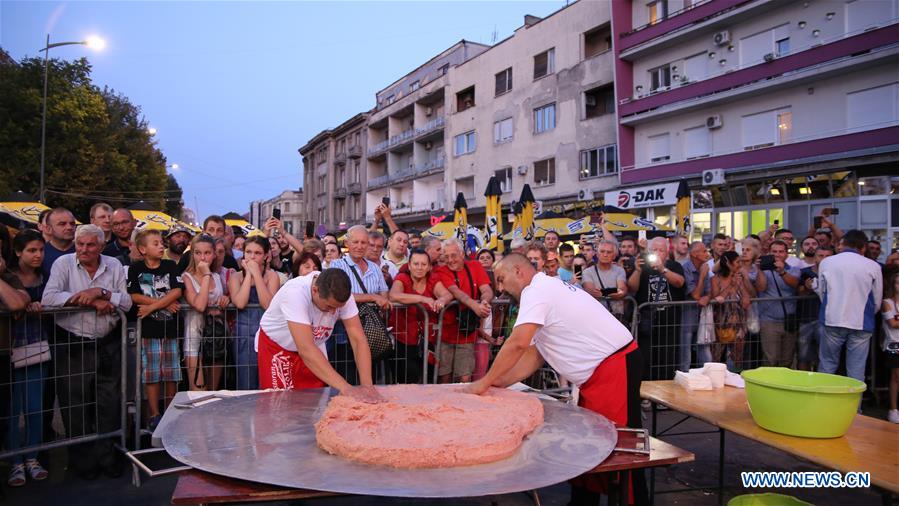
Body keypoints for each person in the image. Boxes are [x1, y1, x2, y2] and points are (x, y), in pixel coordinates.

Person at [464, 253, 644, 506]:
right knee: (590, 442)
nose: (501, 288)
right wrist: (500, 382)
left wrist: (484, 382)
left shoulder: (537, 291)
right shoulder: (545, 288)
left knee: (620, 446)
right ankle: (582, 503)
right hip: (599, 373)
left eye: (502, 279)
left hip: (614, 367)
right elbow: (535, 354)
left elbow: (517, 343)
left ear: (518, 271)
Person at [42, 224, 132, 480]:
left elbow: (126, 302)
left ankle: (108, 458)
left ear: (101, 246)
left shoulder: (114, 265)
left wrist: (102, 292)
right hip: (73, 343)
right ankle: (83, 464)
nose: (84, 249)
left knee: (109, 404)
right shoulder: (63, 264)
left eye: (90, 244)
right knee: (75, 405)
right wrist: (88, 299)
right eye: (80, 244)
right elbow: (48, 299)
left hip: (107, 343)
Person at [255, 268, 381, 404]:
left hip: (313, 344)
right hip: (278, 346)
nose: (333, 312)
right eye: (329, 306)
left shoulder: (342, 295)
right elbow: (306, 349)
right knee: (279, 402)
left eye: (338, 308)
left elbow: (358, 339)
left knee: (314, 401)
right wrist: (346, 388)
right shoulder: (295, 293)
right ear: (315, 290)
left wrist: (368, 386)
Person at [127, 229, 183, 430]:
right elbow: (134, 295)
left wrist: (152, 307)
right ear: (143, 249)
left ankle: (169, 411)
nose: (161, 246)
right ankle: (154, 414)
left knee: (171, 372)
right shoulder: (135, 268)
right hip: (149, 330)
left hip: (169, 329)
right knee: (152, 373)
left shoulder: (170, 265)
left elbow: (177, 290)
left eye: (161, 243)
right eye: (156, 243)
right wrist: (162, 304)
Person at [6, 230, 47, 486]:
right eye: (32, 250)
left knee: (35, 406)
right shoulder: (7, 277)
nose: (38, 255)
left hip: (36, 346)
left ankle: (32, 457)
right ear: (18, 252)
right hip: (9, 348)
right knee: (11, 410)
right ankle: (14, 461)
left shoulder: (45, 276)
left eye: (41, 250)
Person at [816, 230, 883, 384]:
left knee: (827, 365)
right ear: (863, 247)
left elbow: (822, 291)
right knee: (856, 369)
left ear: (843, 243)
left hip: (832, 318)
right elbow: (877, 298)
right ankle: (855, 400)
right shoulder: (873, 266)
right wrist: (870, 313)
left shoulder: (827, 262)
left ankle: (823, 397)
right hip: (862, 322)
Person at [330, 225, 391, 384]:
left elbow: (384, 294)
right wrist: (372, 297)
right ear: (347, 243)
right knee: (348, 378)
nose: (359, 246)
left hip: (371, 332)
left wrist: (381, 301)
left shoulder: (375, 268)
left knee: (370, 378)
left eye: (363, 242)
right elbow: (340, 295)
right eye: (355, 242)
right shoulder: (337, 265)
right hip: (344, 333)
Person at [388, 248, 453, 383]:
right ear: (409, 265)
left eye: (423, 264)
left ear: (429, 267)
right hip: (403, 339)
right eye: (416, 264)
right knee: (406, 381)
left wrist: (441, 300)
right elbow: (394, 295)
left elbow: (447, 294)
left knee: (428, 379)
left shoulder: (432, 279)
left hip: (427, 340)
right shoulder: (402, 278)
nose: (419, 268)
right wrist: (422, 299)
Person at [432, 239, 493, 383]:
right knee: (444, 375)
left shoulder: (475, 266)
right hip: (446, 332)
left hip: (467, 332)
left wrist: (484, 301)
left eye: (453, 255)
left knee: (465, 376)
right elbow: (456, 292)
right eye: (446, 256)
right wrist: (476, 307)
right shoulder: (441, 271)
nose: (450, 260)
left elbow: (486, 289)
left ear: (462, 253)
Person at [628, 237, 685, 381]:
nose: (657, 253)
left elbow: (679, 282)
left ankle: (666, 390)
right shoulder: (642, 265)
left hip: (669, 321)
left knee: (667, 358)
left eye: (661, 250)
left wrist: (662, 269)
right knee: (646, 357)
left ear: (667, 252)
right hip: (647, 321)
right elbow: (632, 287)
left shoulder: (674, 265)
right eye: (654, 250)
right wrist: (637, 271)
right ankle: (647, 389)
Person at [229, 236, 281, 390]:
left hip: (267, 334)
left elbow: (268, 304)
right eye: (248, 252)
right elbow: (240, 302)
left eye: (257, 253)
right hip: (243, 335)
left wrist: (257, 275)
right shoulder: (235, 277)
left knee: (266, 381)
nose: (252, 257)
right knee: (246, 381)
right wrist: (249, 275)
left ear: (266, 256)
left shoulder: (272, 276)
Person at [181, 235, 229, 391]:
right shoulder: (186, 277)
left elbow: (223, 302)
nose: (202, 258)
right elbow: (200, 306)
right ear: (192, 254)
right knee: (198, 392)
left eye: (207, 253)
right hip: (194, 339)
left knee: (213, 392)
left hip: (215, 339)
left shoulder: (217, 277)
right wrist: (206, 274)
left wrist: (225, 300)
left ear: (214, 254)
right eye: (198, 253)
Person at [756, 240, 801, 368]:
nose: (777, 254)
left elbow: (794, 284)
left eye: (781, 251)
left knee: (787, 359)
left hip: (789, 321)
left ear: (786, 254)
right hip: (768, 321)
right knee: (770, 358)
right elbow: (761, 288)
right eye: (774, 251)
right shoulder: (764, 270)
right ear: (769, 253)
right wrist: (759, 270)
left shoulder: (793, 270)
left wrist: (782, 272)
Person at [710, 251, 755, 370]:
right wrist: (731, 285)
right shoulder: (715, 279)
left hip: (738, 322)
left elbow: (747, 300)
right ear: (728, 263)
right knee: (716, 356)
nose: (740, 265)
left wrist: (743, 282)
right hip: (720, 323)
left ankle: (735, 375)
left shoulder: (739, 279)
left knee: (737, 357)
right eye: (737, 262)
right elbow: (716, 299)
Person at [796, 246, 833, 371]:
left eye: (827, 256)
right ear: (815, 257)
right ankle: (803, 382)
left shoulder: (836, 273)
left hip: (827, 320)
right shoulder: (804, 272)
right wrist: (806, 288)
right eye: (821, 256)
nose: (824, 259)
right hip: (805, 319)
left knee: (824, 357)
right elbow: (798, 293)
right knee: (803, 356)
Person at [681, 241, 711, 371]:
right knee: (685, 353)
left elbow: (709, 291)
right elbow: (695, 294)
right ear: (694, 254)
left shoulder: (704, 267)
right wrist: (702, 276)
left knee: (704, 350)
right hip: (687, 317)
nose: (707, 254)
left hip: (702, 317)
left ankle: (707, 375)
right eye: (704, 251)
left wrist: (707, 297)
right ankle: (684, 376)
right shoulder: (685, 268)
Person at [582, 240, 628, 321]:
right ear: (597, 254)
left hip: (616, 317)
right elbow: (592, 291)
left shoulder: (619, 270)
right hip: (596, 316)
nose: (605, 255)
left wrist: (603, 292)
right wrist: (614, 291)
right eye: (602, 251)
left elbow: (622, 291)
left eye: (609, 252)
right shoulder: (587, 272)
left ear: (614, 256)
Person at [881, 272, 899, 424]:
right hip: (894, 344)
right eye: (898, 283)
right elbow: (892, 323)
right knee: (896, 376)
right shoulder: (887, 302)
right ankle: (893, 409)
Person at [41, 208, 76, 278]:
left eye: (72, 224)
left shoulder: (85, 250)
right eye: (62, 224)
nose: (69, 227)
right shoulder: (41, 253)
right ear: (49, 229)